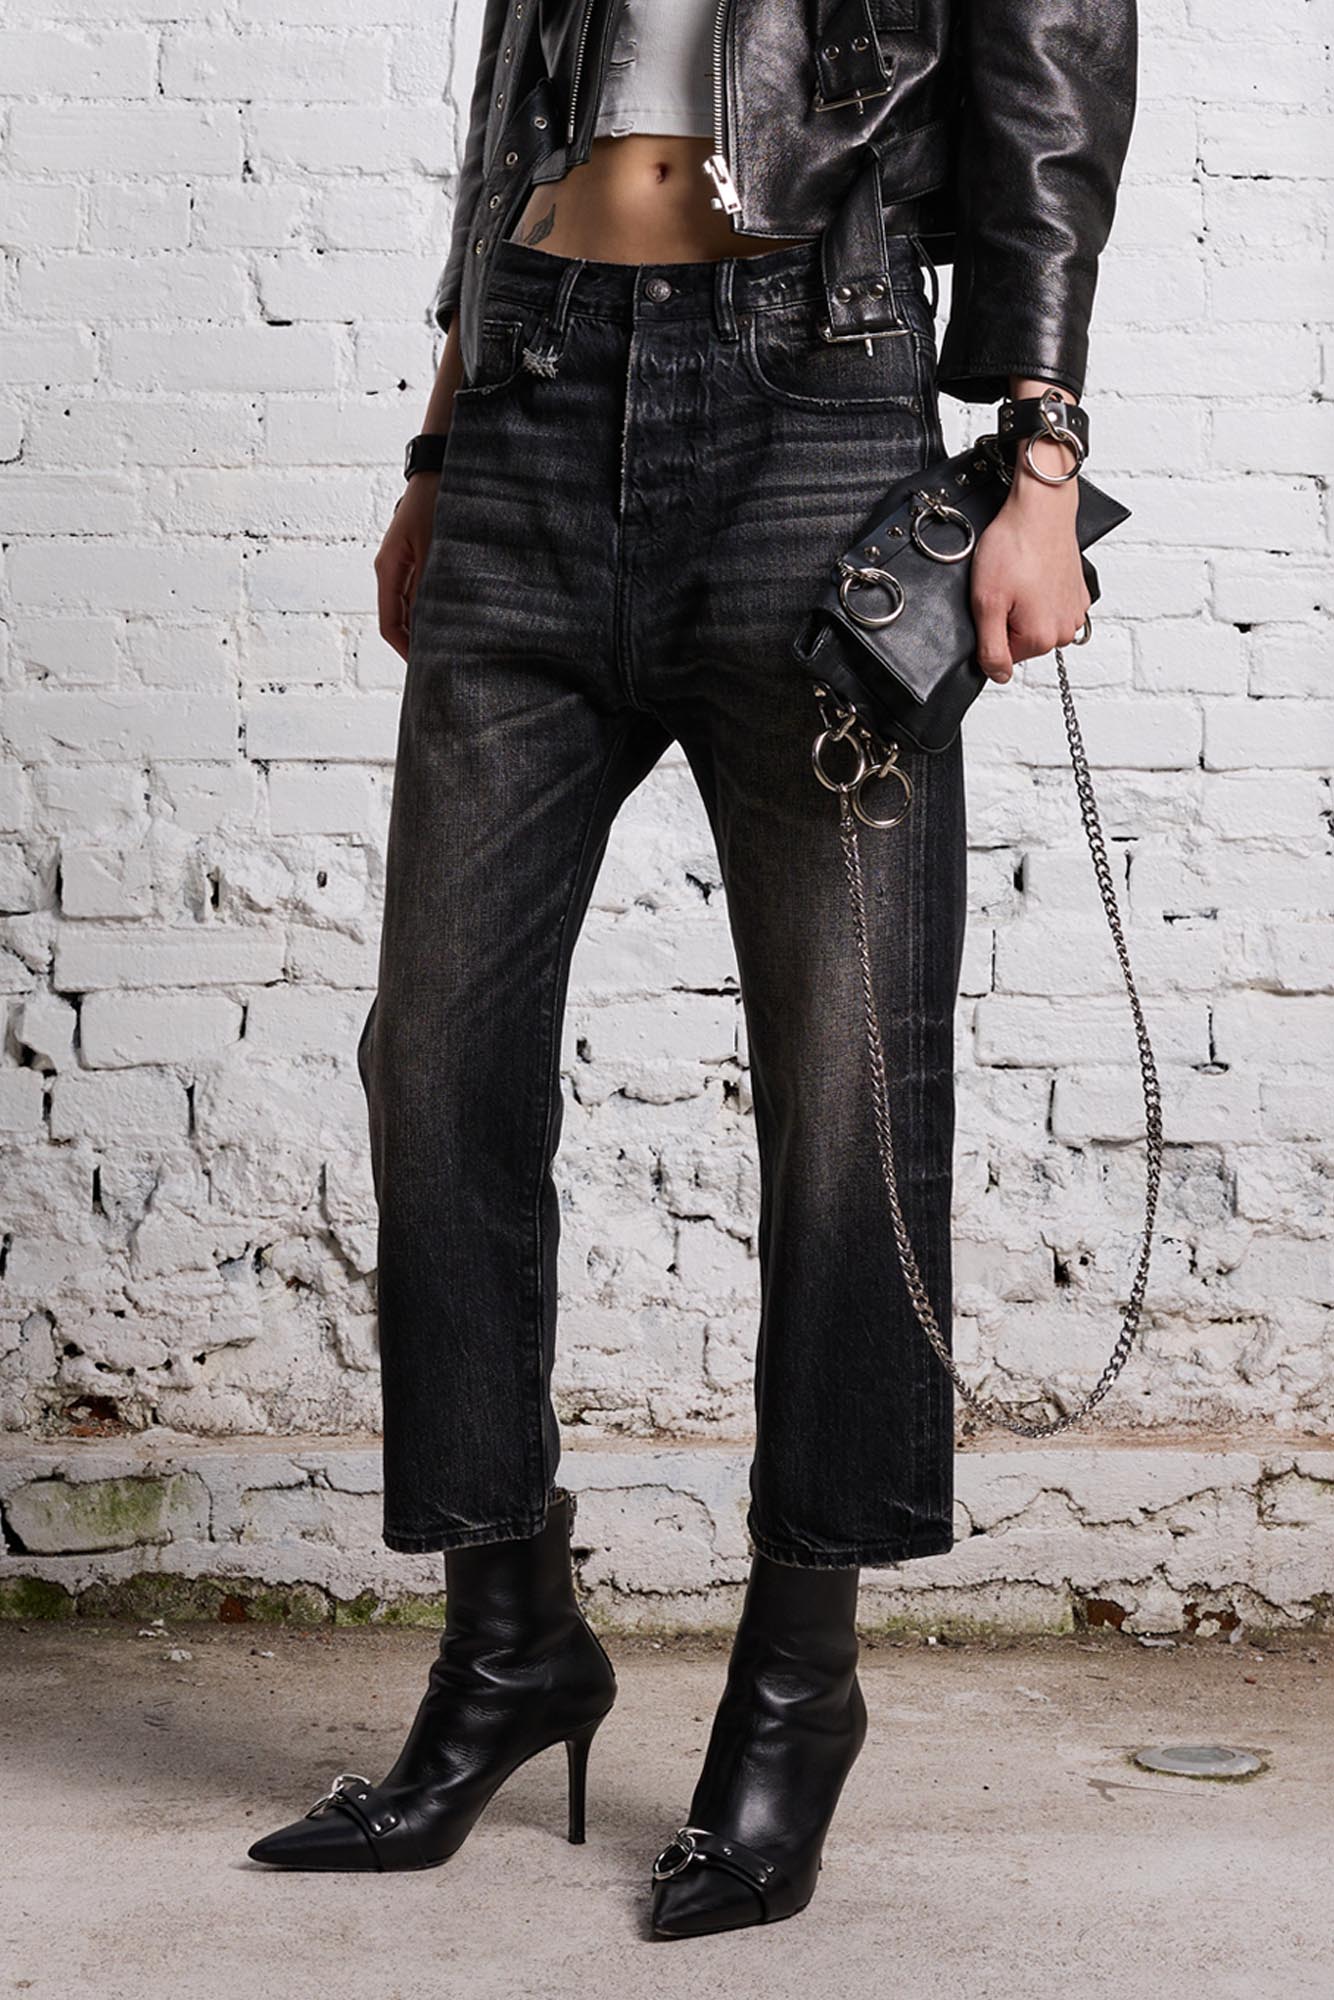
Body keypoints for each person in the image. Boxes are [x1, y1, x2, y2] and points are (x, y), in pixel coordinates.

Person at [246, 0, 1137, 1939]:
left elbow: (1053, 69)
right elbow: (523, 82)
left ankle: (799, 1684)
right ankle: (507, 1649)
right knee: (435, 1062)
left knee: (846, 1091)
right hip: (533, 402)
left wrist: (1041, 457)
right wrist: (443, 436)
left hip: (813, 407)